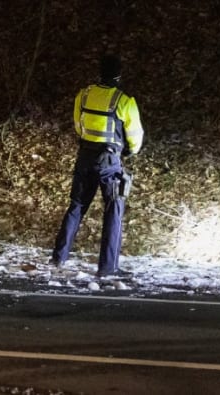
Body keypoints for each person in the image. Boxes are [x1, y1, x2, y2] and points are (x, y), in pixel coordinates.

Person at [51, 54, 144, 278]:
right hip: (109, 162)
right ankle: (107, 267)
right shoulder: (124, 101)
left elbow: (78, 125)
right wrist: (128, 150)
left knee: (76, 207)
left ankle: (59, 257)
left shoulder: (83, 95)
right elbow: (135, 137)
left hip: (85, 157)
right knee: (113, 211)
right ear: (119, 75)